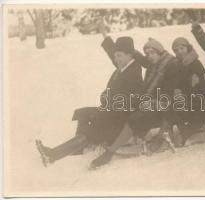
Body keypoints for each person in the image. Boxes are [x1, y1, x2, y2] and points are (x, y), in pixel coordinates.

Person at [35, 36, 144, 168]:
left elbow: (128, 101)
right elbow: (113, 66)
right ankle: (77, 149)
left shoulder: (134, 73)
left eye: (119, 56)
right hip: (111, 110)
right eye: (115, 56)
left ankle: (52, 155)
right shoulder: (124, 67)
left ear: (129, 55)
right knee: (82, 113)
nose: (116, 59)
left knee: (93, 126)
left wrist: (107, 103)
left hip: (120, 117)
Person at [89, 38, 181, 169]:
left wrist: (152, 102)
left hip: (167, 107)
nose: (149, 56)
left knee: (135, 118)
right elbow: (129, 55)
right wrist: (108, 40)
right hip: (151, 103)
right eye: (147, 53)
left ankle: (110, 152)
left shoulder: (171, 66)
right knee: (131, 111)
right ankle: (131, 137)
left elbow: (169, 93)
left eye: (152, 52)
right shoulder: (152, 65)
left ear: (160, 52)